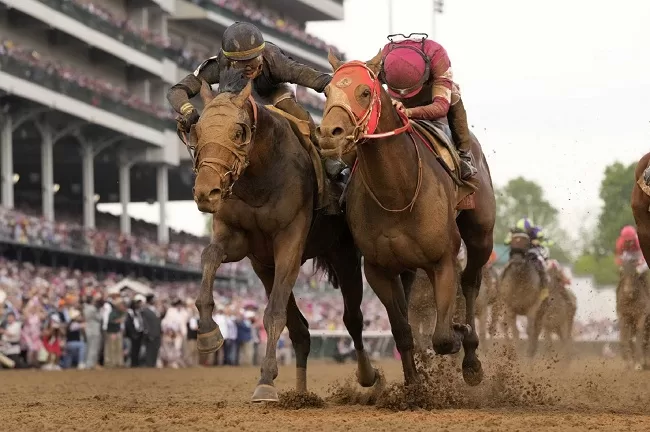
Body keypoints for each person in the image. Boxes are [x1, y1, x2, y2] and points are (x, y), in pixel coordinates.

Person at [167, 21, 332, 148]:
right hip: (238, 97)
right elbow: (177, 91)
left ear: (261, 55)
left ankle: (325, 155)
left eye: (251, 60)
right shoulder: (219, 65)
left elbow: (309, 76)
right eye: (239, 62)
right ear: (229, 61)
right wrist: (188, 110)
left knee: (290, 107)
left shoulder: (276, 62)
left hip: (274, 91)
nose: (247, 67)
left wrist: (330, 86)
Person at [379, 33, 477, 180]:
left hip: (431, 94)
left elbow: (441, 107)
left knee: (454, 94)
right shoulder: (384, 56)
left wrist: (408, 111)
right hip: (395, 96)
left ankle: (464, 154)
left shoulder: (438, 56)